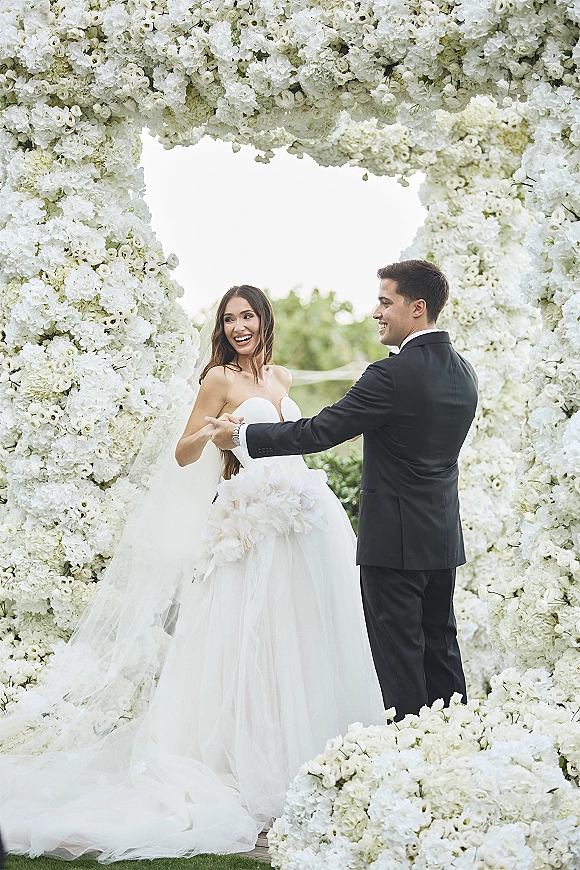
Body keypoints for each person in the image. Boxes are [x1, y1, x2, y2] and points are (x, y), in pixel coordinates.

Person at [0, 285, 383, 861]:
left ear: (263, 319)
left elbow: (299, 440)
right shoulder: (220, 379)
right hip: (248, 527)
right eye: (229, 319)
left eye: (247, 316)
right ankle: (239, 761)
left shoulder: (278, 380)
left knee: (296, 641)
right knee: (244, 643)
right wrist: (215, 430)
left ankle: (304, 755)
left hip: (302, 523)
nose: (238, 327)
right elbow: (183, 452)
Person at [210, 261, 479, 721]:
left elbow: (320, 431)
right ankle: (454, 748)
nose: (376, 311)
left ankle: (406, 761)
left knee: (398, 664)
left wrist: (241, 438)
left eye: (385, 301)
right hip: (440, 539)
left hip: (392, 544)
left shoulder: (391, 375)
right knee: (441, 652)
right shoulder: (463, 371)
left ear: (417, 309)